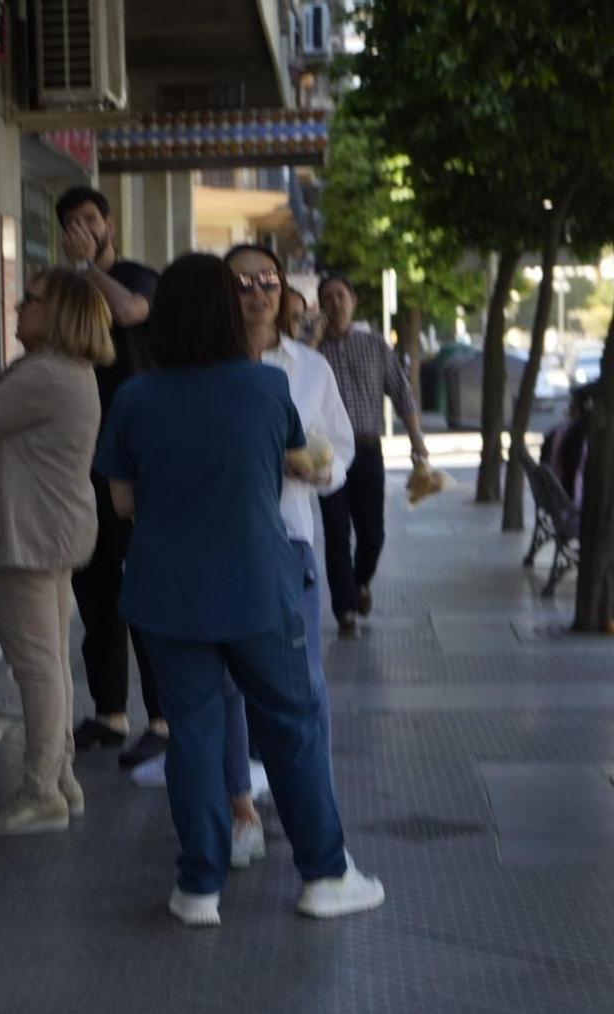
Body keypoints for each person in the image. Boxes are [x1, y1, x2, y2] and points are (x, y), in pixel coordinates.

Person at [95, 253, 385, 927]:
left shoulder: (136, 396)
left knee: (193, 735)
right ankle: (324, 873)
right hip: (259, 581)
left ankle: (198, 887)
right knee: (292, 725)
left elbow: (123, 501)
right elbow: (293, 461)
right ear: (229, 312)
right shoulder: (264, 391)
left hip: (166, 590)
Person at [0, 269, 111, 834]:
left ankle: (40, 792)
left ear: (59, 314)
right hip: (49, 531)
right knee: (52, 662)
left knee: (38, 666)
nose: (17, 307)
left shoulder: (45, 375)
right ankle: (60, 778)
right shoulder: (67, 373)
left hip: (28, 535)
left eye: (31, 301)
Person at [213, 245, 353, 869]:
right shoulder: (201, 367)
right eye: (242, 280)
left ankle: (315, 806)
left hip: (290, 534)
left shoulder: (311, 369)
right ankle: (240, 807)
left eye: (267, 279)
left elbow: (340, 450)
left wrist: (321, 471)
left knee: (305, 685)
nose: (257, 291)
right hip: (216, 539)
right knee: (226, 687)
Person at [56, 186, 169, 769]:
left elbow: (130, 313)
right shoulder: (65, 286)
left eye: (90, 220)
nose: (82, 228)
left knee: (141, 584)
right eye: (71, 222)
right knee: (94, 587)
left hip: (137, 454)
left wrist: (84, 269)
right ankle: (109, 713)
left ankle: (161, 717)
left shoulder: (134, 275)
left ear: (109, 223)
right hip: (83, 456)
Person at [315, 274, 428, 639]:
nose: (334, 304)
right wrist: (311, 340)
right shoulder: (310, 350)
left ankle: (360, 582)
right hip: (327, 453)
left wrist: (417, 440)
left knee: (373, 532)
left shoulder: (376, 345)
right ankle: (345, 610)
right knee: (335, 532)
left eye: (340, 296)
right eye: (327, 298)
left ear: (354, 300)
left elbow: (401, 392)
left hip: (366, 449)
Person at [541, 384, 614, 591]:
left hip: (561, 511)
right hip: (581, 514)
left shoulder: (560, 432)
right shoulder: (587, 437)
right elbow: (599, 484)